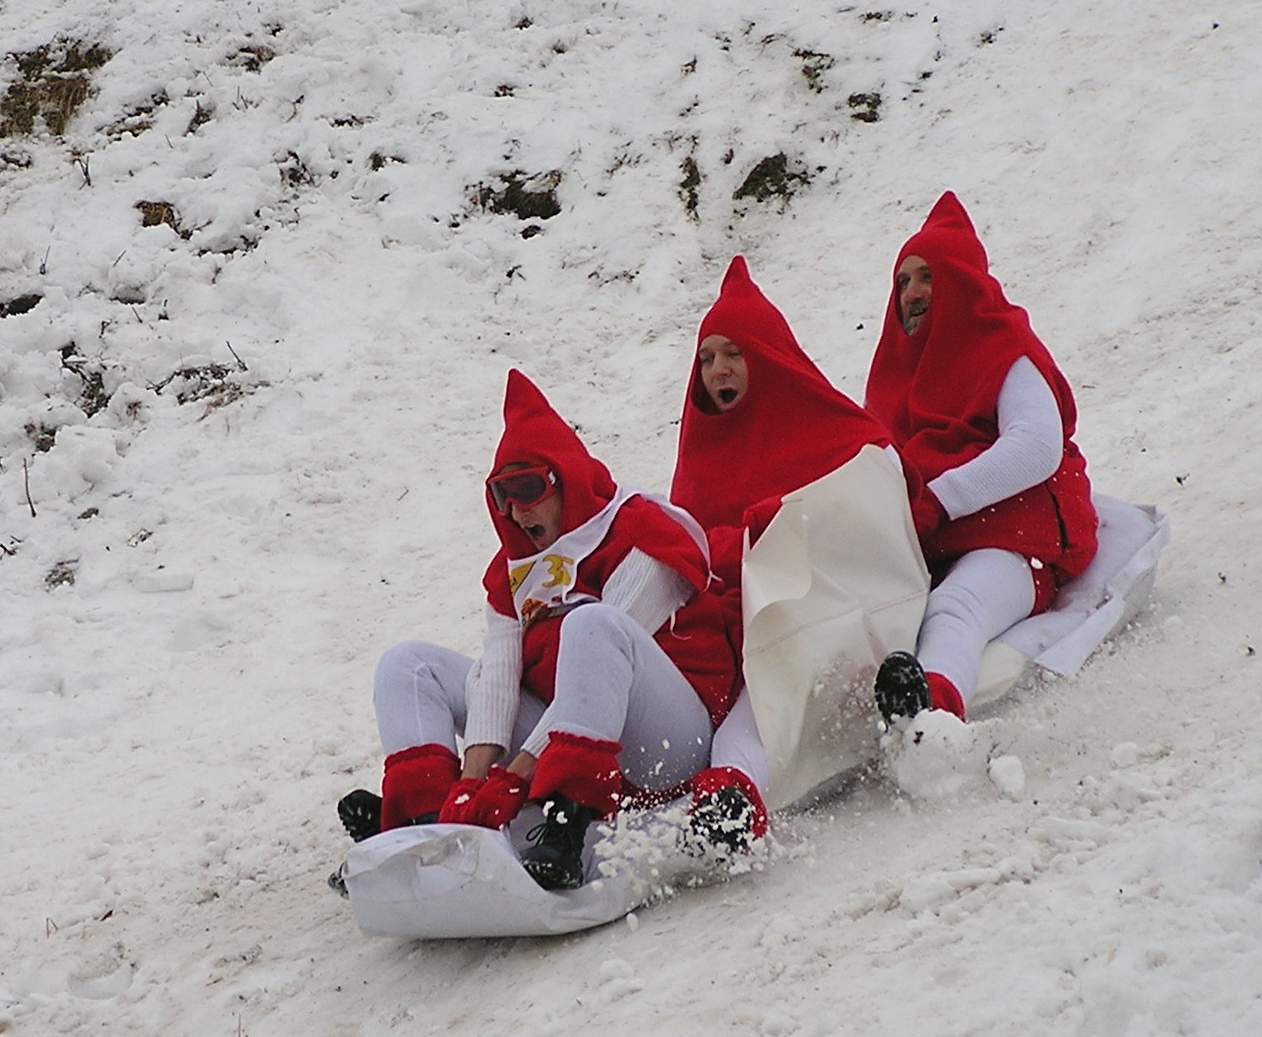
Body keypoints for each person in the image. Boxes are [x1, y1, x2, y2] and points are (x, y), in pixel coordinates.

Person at [338, 370, 741, 890]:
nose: (515, 511)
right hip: (562, 736)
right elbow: (498, 681)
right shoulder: (513, 571)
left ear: (564, 482)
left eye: (527, 489)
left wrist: (518, 773)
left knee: (590, 624)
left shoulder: (640, 533)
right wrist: (470, 787)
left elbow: (598, 666)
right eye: (501, 496)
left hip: (667, 744)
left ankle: (566, 821)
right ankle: (425, 823)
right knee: (408, 664)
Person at [670, 256, 910, 827]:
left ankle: (734, 796)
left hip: (834, 620)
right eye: (706, 358)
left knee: (770, 695)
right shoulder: (702, 457)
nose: (717, 370)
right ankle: (726, 800)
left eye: (733, 354)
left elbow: (870, 509)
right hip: (745, 640)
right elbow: (693, 554)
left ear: (768, 356)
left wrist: (776, 530)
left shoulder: (840, 433)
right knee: (743, 712)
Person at [864, 191, 1099, 723]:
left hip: (1014, 539)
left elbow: (1037, 445)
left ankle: (933, 717)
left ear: (962, 282)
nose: (912, 293)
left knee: (957, 608)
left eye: (928, 277)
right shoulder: (893, 371)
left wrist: (940, 500)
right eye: (903, 281)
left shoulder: (1003, 347)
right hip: (926, 544)